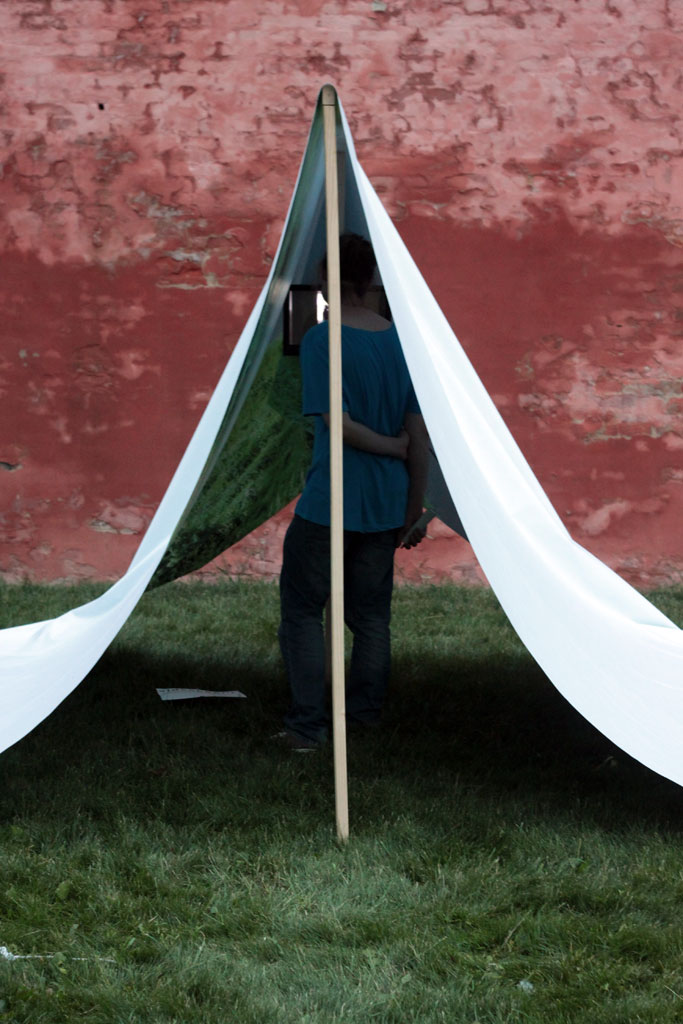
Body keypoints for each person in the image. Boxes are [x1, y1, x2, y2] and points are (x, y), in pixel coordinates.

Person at [277, 233, 429, 750]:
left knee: (303, 610)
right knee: (370, 618)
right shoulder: (401, 342)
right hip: (385, 504)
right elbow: (418, 436)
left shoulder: (323, 340)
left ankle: (307, 727)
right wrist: (413, 506)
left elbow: (338, 425)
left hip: (331, 501)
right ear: (369, 281)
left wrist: (391, 448)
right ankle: (363, 718)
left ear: (327, 279)